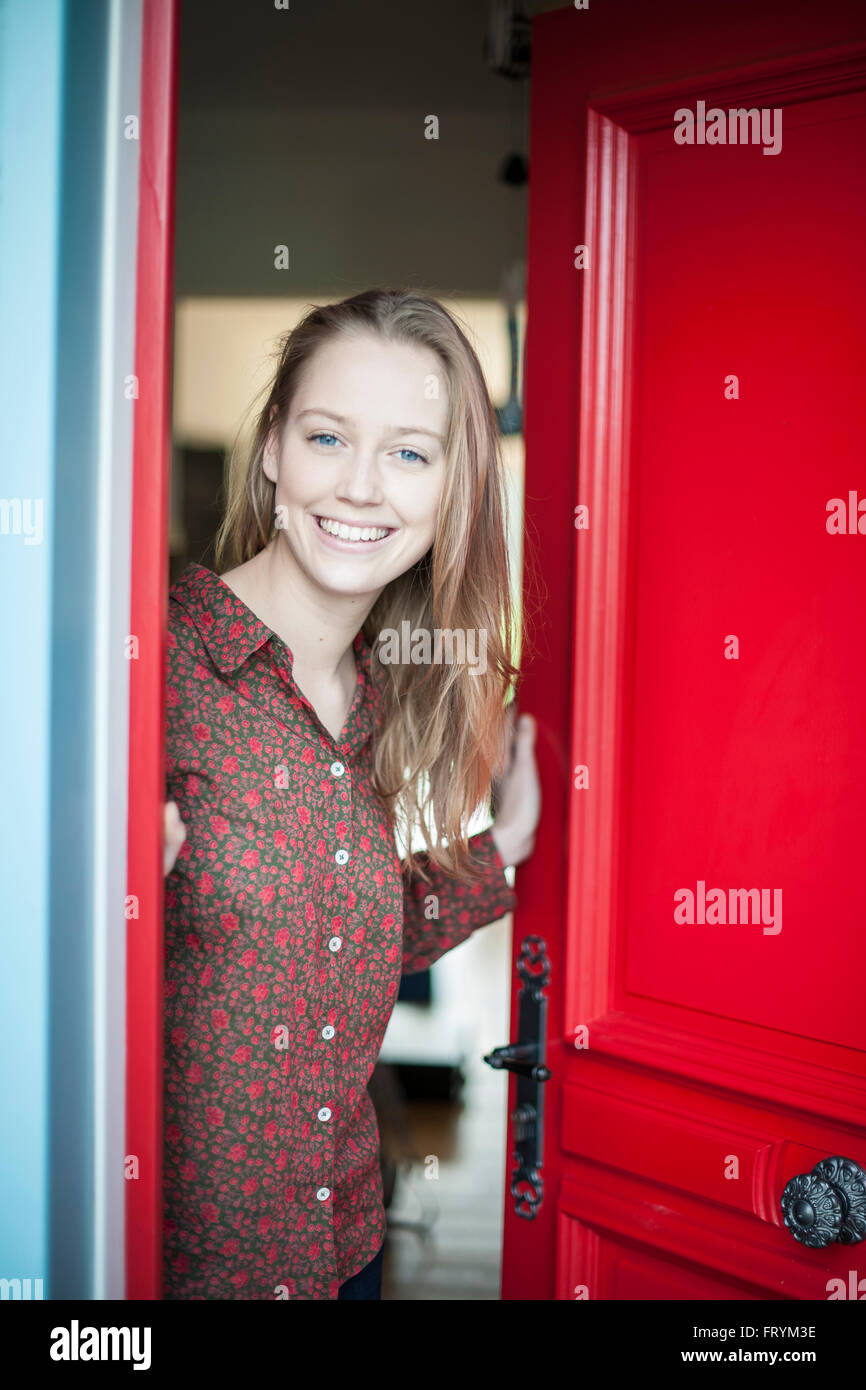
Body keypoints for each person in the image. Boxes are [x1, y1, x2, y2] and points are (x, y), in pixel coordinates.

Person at [161, 288, 541, 1300]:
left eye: (410, 453)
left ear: (451, 488)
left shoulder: (375, 695)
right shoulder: (149, 674)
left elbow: (331, 937)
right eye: (329, 437)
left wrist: (498, 844)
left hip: (342, 1251)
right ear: (275, 447)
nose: (363, 487)